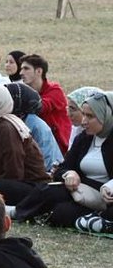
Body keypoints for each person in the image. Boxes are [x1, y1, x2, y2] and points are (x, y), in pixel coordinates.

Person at [14, 90, 113, 230]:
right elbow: (62, 168)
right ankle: (19, 212)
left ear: (106, 116)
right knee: (52, 199)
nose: (84, 121)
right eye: (83, 114)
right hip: (80, 191)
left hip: (105, 198)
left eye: (90, 116)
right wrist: (70, 174)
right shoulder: (84, 138)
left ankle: (101, 220)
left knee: (60, 209)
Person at [19, 55, 70, 151]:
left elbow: (39, 107)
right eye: (21, 69)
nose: (21, 73)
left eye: (26, 69)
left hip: (57, 149)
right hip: (34, 145)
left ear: (39, 71)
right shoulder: (23, 92)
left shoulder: (55, 91)